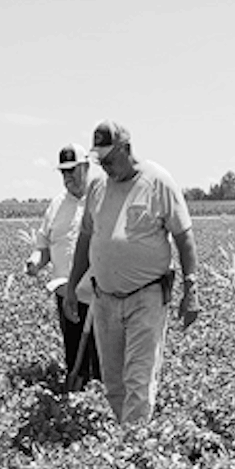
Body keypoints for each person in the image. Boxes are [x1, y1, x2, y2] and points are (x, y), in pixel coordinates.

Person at [64, 119, 199, 430]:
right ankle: (129, 443)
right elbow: (86, 239)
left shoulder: (158, 182)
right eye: (100, 161)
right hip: (105, 299)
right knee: (113, 383)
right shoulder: (98, 187)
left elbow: (184, 237)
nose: (106, 167)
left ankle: (132, 453)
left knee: (138, 379)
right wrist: (72, 287)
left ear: (126, 149)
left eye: (110, 160)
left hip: (147, 296)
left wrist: (192, 290)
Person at [28, 145, 93, 389]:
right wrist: (36, 261)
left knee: (99, 351)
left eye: (72, 170)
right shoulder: (56, 206)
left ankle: (99, 400)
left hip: (95, 291)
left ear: (86, 167)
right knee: (73, 347)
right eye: (63, 172)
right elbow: (43, 245)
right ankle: (78, 395)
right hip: (65, 292)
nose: (68, 177)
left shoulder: (100, 200)